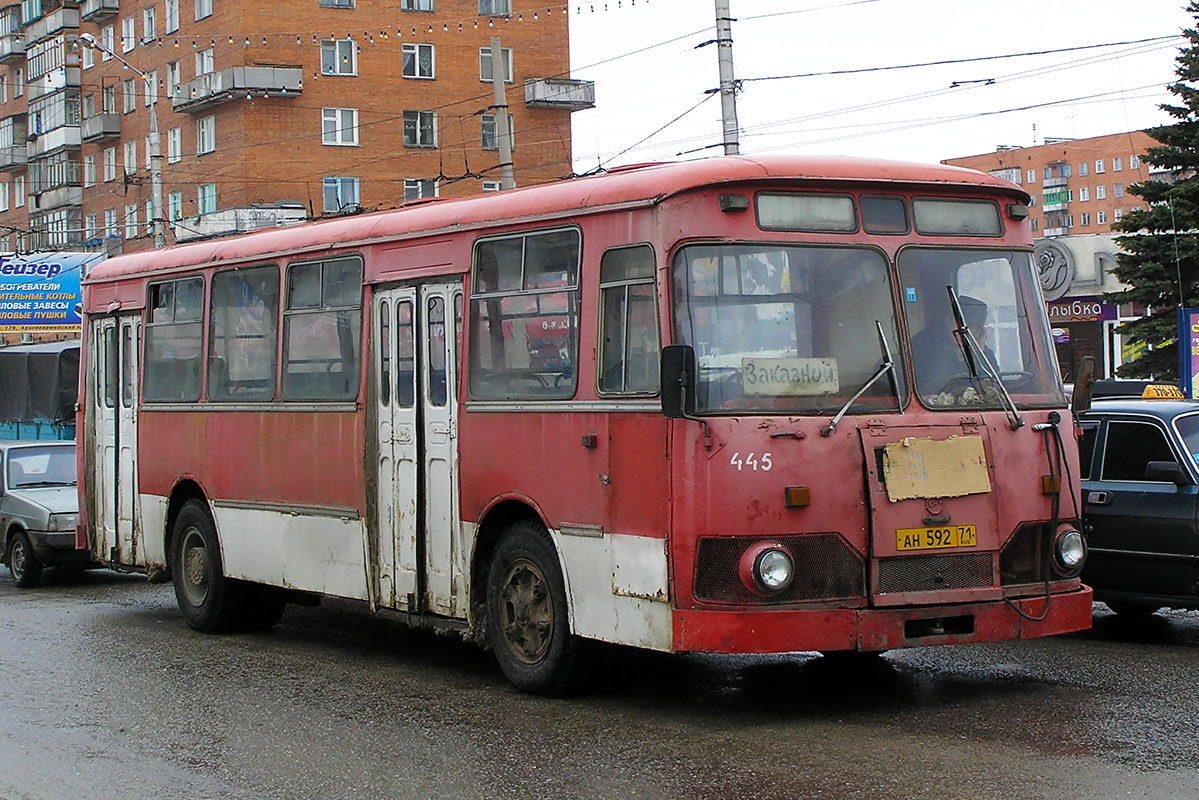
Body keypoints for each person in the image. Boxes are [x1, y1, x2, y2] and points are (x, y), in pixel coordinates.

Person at [910, 295, 999, 396]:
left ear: (979, 331)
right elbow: (931, 387)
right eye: (959, 323)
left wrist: (979, 352)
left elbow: (994, 390)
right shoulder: (924, 344)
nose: (963, 331)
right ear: (949, 319)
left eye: (971, 326)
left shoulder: (982, 352)